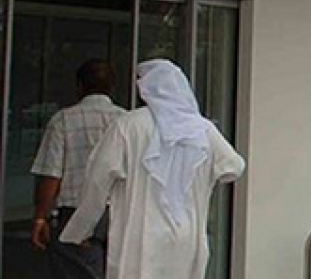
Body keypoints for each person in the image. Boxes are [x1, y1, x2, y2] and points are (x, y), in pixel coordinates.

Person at [59, 59, 245, 279]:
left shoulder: (128, 125)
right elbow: (234, 166)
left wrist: (80, 229)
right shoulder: (202, 129)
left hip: (139, 233)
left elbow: (97, 181)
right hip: (186, 234)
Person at [30, 59, 127, 278]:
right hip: (119, 213)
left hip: (76, 213)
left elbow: (51, 174)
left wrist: (40, 217)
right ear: (112, 87)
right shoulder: (126, 122)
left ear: (79, 86)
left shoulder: (63, 120)